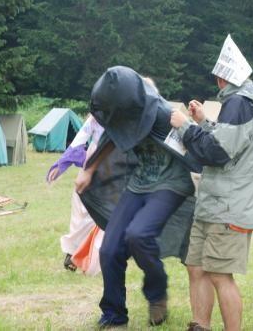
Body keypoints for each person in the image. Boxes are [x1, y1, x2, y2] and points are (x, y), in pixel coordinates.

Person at [75, 66, 198, 328]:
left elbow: (194, 147)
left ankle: (157, 293)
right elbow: (111, 137)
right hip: (139, 182)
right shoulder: (125, 113)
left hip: (171, 182)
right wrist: (89, 171)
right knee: (109, 249)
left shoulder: (164, 114)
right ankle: (114, 315)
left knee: (139, 235)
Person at [170, 34, 253, 331]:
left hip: (231, 205)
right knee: (197, 267)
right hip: (217, 201)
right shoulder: (241, 100)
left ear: (222, 78)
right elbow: (229, 140)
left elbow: (217, 152)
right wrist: (204, 122)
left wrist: (187, 127)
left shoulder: (240, 103)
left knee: (219, 274)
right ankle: (200, 326)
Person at [47, 114, 104, 272]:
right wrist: (62, 163)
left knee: (103, 214)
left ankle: (92, 258)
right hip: (94, 160)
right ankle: (73, 252)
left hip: (117, 163)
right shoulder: (97, 114)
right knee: (81, 209)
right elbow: (81, 137)